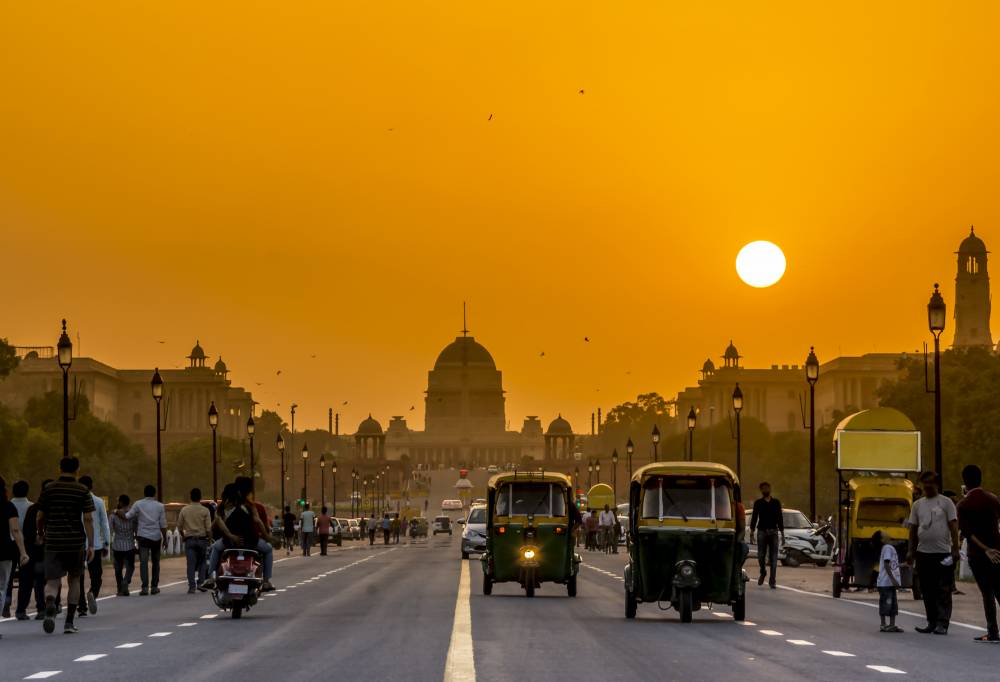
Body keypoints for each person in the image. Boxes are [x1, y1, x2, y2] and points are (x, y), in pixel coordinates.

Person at [36, 457, 95, 635]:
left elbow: (39, 517)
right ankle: (69, 622)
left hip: (53, 541)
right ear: (77, 470)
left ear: (59, 468)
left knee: (52, 581)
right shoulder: (83, 490)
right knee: (74, 579)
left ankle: (50, 602)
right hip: (75, 542)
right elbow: (88, 519)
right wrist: (91, 544)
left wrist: (41, 534)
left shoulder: (49, 489)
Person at [906, 471, 960, 635]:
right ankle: (931, 622)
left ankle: (942, 623)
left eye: (930, 482)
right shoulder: (917, 505)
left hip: (943, 553)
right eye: (925, 483)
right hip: (923, 553)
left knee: (943, 589)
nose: (927, 486)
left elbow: (953, 526)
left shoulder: (946, 503)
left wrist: (955, 549)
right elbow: (913, 529)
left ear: (937, 484)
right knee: (927, 589)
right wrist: (910, 551)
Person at [956, 464, 1000, 643]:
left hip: (978, 554)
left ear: (965, 481)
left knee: (987, 593)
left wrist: (985, 549)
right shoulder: (993, 499)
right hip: (998, 551)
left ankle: (993, 631)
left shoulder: (964, 504)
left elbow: (967, 532)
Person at [76, 475, 110, 618]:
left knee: (78, 577)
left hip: (78, 544)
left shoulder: (75, 501)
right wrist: (107, 542)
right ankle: (93, 592)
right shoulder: (98, 501)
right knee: (96, 575)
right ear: (92, 486)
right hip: (94, 544)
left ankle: (82, 606)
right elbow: (104, 523)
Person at [15, 480, 49, 620]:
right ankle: (41, 609)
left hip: (30, 549)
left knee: (26, 581)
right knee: (40, 581)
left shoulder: (33, 508)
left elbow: (26, 531)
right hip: (43, 552)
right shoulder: (51, 509)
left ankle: (21, 610)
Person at [234, 477, 275, 591]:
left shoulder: (231, 505)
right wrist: (268, 537)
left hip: (232, 541)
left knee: (216, 549)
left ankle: (212, 577)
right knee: (268, 550)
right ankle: (266, 581)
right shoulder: (256, 507)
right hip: (252, 541)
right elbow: (262, 525)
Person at [0, 477, 29, 636]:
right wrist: (23, 552)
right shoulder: (8, 506)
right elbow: (16, 531)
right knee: (1, 587)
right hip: (4, 551)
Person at [126, 485, 167, 596]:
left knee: (143, 563)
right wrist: (165, 539)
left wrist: (117, 512)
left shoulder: (138, 504)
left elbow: (128, 516)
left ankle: (144, 587)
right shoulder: (160, 506)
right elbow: (163, 524)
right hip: (156, 537)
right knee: (156, 563)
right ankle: (154, 587)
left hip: (143, 537)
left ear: (144, 493)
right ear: (154, 493)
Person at [750, 482, 784, 588]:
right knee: (761, 556)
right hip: (762, 531)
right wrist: (751, 531)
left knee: (774, 557)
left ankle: (772, 580)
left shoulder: (776, 502)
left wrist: (782, 533)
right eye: (763, 488)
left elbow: (780, 518)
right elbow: (754, 517)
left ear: (770, 489)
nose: (765, 490)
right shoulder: (758, 503)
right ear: (761, 490)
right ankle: (763, 571)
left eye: (767, 488)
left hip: (774, 531)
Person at [178, 488, 212, 594]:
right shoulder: (205, 510)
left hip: (190, 540)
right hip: (202, 540)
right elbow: (208, 529)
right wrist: (209, 540)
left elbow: (179, 526)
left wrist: (183, 536)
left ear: (190, 496)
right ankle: (201, 583)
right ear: (200, 497)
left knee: (191, 564)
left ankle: (192, 586)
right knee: (202, 563)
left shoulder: (184, 510)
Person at [873, 530, 903, 632]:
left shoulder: (887, 548)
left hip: (887, 583)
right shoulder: (887, 548)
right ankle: (884, 624)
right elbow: (886, 565)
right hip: (886, 582)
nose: (887, 533)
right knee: (887, 603)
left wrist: (904, 565)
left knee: (892, 603)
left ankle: (891, 625)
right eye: (884, 533)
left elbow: (892, 565)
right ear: (882, 539)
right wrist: (894, 580)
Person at [109, 494, 137, 596]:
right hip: (129, 545)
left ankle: (120, 589)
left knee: (118, 568)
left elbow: (110, 530)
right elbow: (136, 530)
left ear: (121, 502)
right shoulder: (133, 515)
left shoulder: (113, 515)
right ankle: (125, 582)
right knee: (130, 567)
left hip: (117, 545)